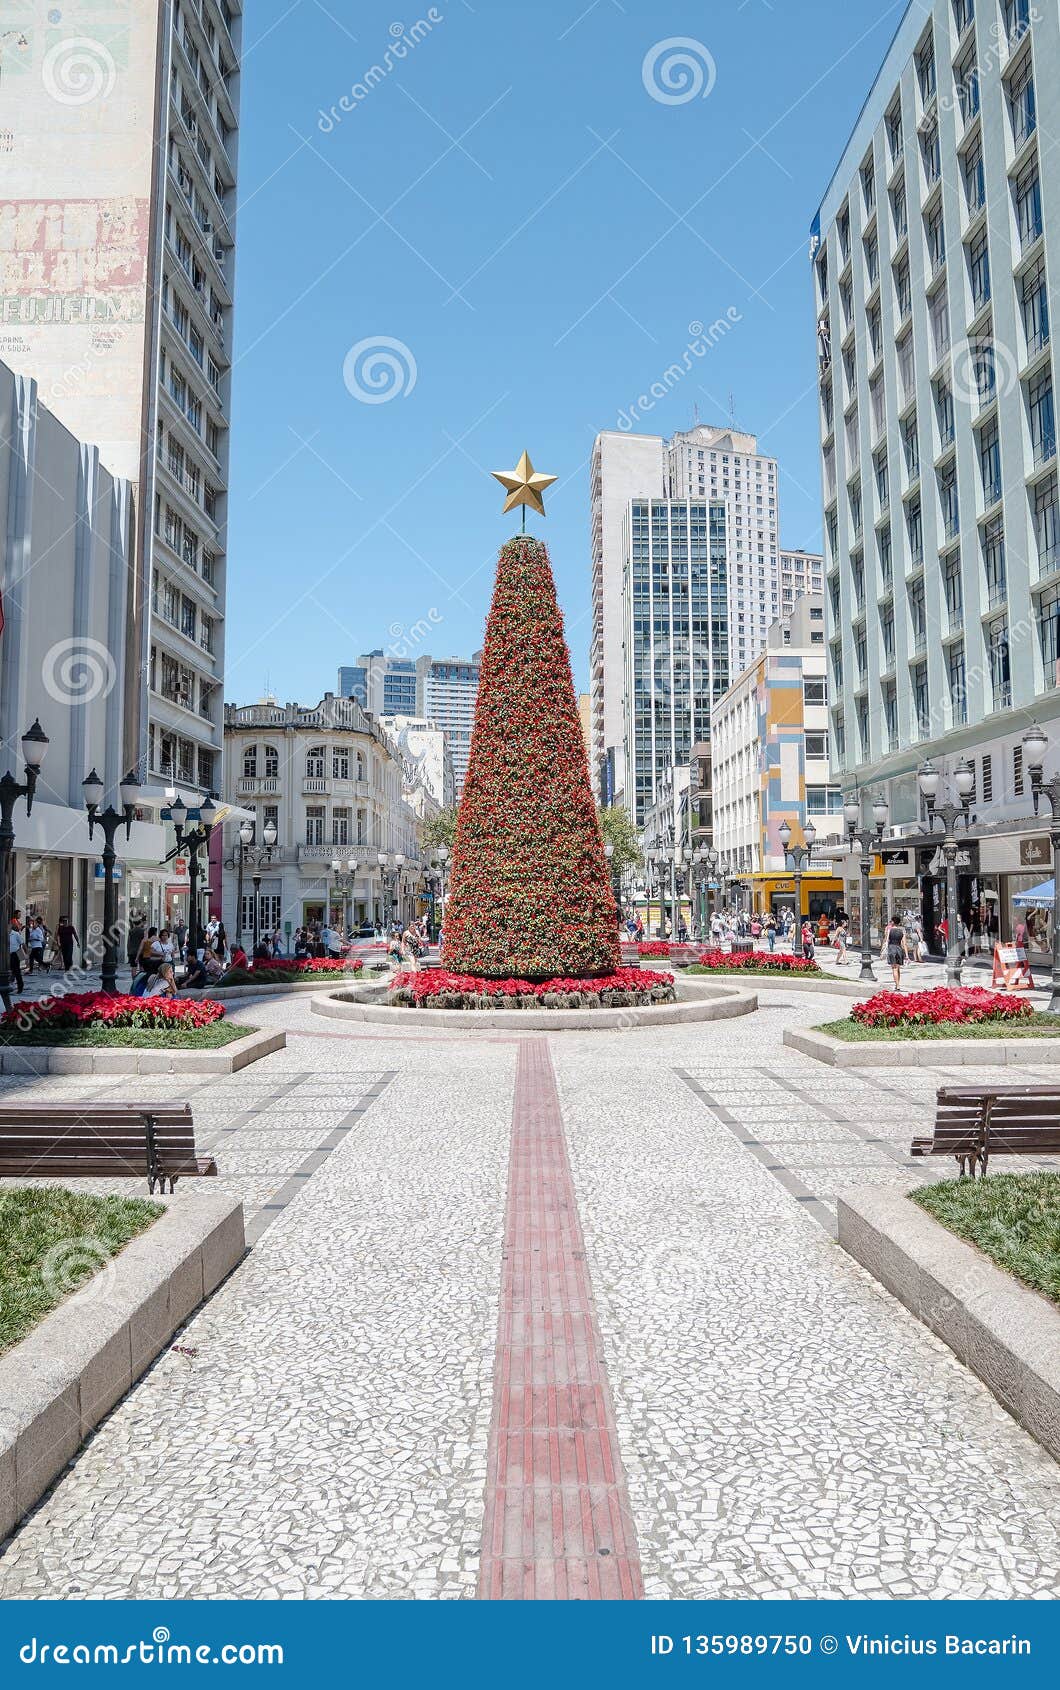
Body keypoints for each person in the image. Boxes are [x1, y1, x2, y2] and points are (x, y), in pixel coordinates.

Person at [882, 912, 909, 989]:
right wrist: (907, 955)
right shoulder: (902, 931)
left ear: (893, 922)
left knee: (894, 968)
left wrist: (882, 950)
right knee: (898, 967)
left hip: (892, 949)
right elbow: (904, 944)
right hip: (899, 949)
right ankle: (898, 983)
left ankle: (897, 985)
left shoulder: (889, 930)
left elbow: (886, 940)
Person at [8, 913, 25, 995]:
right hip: (6, 956)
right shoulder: (4, 935)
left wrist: (25, 953)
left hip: (15, 954)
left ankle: (20, 987)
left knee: (16, 971)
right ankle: (10, 983)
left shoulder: (16, 934)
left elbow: (23, 943)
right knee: (11, 971)